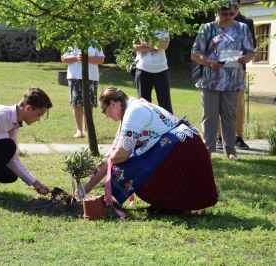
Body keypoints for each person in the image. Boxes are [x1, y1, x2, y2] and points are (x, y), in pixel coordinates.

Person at [83, 87, 218, 211]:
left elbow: (122, 154)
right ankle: (166, 203)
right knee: (128, 165)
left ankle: (169, 203)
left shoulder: (133, 113)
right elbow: (112, 153)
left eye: (105, 110)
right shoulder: (130, 111)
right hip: (183, 147)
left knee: (131, 170)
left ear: (113, 103)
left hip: (184, 151)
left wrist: (109, 162)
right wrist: (86, 188)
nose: (107, 115)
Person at [191, 0, 255, 160]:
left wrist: (244, 59)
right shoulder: (207, 28)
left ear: (236, 12)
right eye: (224, 14)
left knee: (229, 115)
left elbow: (251, 52)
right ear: (217, 13)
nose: (227, 17)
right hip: (211, 80)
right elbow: (195, 53)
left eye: (231, 14)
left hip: (233, 80)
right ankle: (208, 150)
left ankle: (231, 151)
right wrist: (209, 62)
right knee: (210, 116)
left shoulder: (242, 28)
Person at [216, 0, 257, 150]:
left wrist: (232, 57)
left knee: (237, 105)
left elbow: (252, 45)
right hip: (218, 69)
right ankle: (219, 137)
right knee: (219, 102)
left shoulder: (247, 22)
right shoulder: (218, 20)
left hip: (239, 68)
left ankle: (238, 137)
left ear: (239, 5)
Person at [61, 45, 105, 138]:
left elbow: (101, 59)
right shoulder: (72, 42)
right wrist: (76, 57)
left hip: (91, 77)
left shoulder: (95, 42)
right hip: (74, 77)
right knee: (76, 104)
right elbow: (64, 59)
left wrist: (87, 59)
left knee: (89, 104)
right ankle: (79, 130)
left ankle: (88, 130)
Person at [133, 29, 173, 113]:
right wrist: (157, 45)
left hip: (162, 69)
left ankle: (168, 126)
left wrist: (146, 45)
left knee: (165, 106)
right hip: (143, 69)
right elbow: (136, 47)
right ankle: (146, 126)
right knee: (144, 106)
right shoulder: (139, 25)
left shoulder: (163, 25)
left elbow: (165, 45)